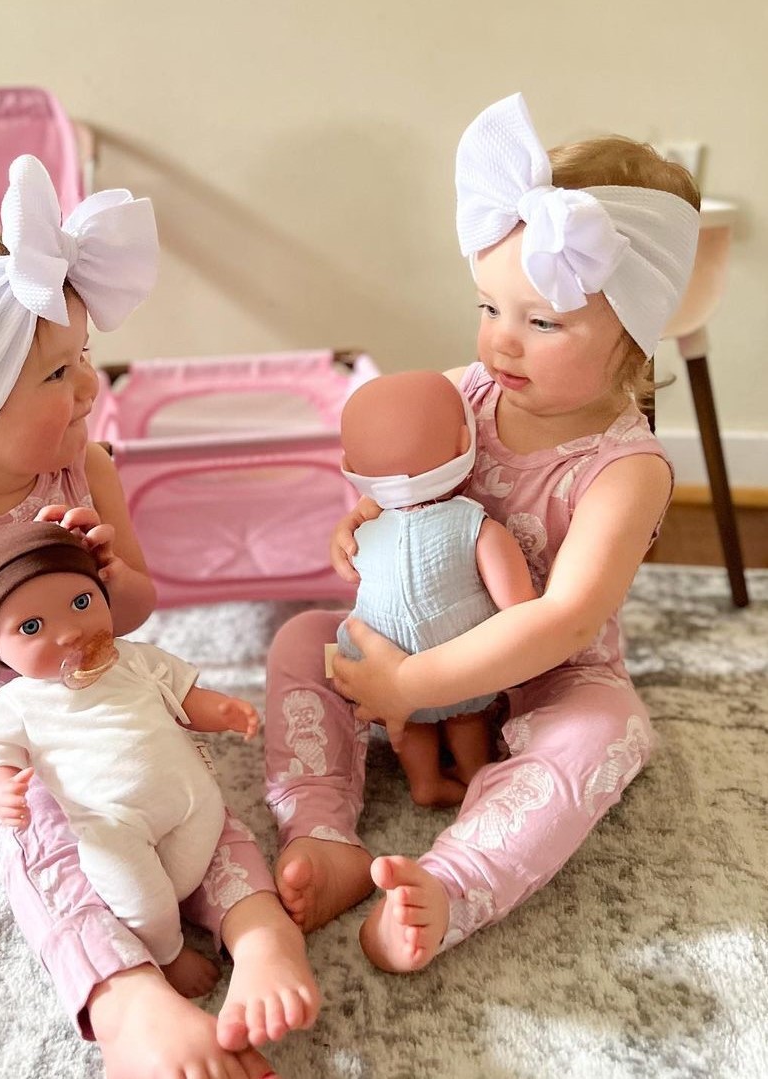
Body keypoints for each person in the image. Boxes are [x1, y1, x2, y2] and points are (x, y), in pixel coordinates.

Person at [0, 154, 317, 1079]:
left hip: (89, 683)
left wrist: (105, 569)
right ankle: (123, 997)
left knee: (176, 775)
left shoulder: (82, 467)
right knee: (46, 825)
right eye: (59, 372)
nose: (91, 389)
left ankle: (256, 928)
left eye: (83, 358)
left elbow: (135, 604)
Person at [262, 92, 700, 975]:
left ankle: (454, 884)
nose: (503, 341)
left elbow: (566, 619)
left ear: (634, 338)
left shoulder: (626, 468)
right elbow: (400, 477)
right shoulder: (468, 391)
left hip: (546, 675)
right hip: (417, 629)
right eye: (489, 306)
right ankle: (321, 827)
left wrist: (412, 681)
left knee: (608, 727)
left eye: (542, 321)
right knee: (305, 639)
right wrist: (366, 517)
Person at [0, 520, 262, 1000]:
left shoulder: (133, 658)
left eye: (81, 603)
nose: (69, 633)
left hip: (189, 798)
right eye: (32, 627)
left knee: (185, 873)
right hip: (111, 825)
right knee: (143, 900)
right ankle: (168, 952)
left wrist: (221, 710)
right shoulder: (18, 702)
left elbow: (185, 696)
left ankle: (176, 900)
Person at [335, 370, 536, 808]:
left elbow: (358, 579)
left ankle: (424, 783)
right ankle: (473, 773)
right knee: (466, 712)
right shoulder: (475, 525)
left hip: (381, 654)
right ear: (466, 445)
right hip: (454, 654)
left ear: (351, 468)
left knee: (413, 719)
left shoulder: (364, 533)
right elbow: (522, 608)